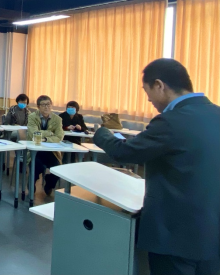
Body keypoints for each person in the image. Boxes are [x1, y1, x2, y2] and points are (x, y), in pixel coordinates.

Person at [93, 59, 220, 276]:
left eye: (147, 91)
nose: (148, 99)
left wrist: (102, 133)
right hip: (212, 235)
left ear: (159, 85)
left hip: (175, 235)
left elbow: (124, 152)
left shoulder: (171, 121)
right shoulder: (216, 114)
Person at [27, 95, 65, 196]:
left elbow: (59, 137)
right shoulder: (32, 117)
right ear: (38, 107)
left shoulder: (57, 119)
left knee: (58, 168)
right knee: (37, 166)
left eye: (48, 104)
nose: (46, 107)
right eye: (43, 105)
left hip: (51, 151)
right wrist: (49, 133)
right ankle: (31, 182)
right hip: (35, 150)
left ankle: (49, 184)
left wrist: (45, 139)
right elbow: (33, 134)